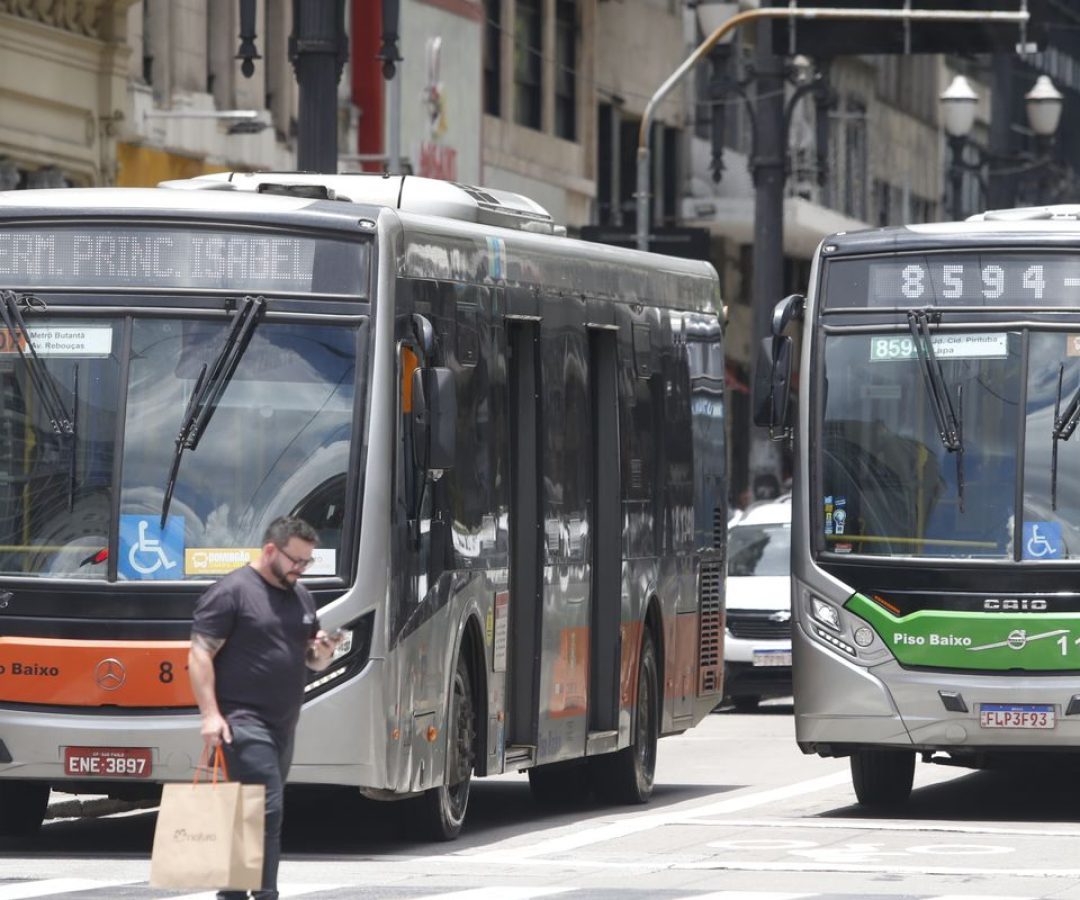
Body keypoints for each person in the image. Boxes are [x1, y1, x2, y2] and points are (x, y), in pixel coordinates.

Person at [188, 516, 342, 900]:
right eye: (296, 560)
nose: (300, 569)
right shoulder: (233, 592)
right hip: (241, 720)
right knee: (266, 808)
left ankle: (233, 894)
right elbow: (200, 654)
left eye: (307, 562)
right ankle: (265, 894)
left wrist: (324, 652)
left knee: (248, 811)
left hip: (282, 725)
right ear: (271, 550)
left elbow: (312, 659)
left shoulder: (301, 596)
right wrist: (210, 714)